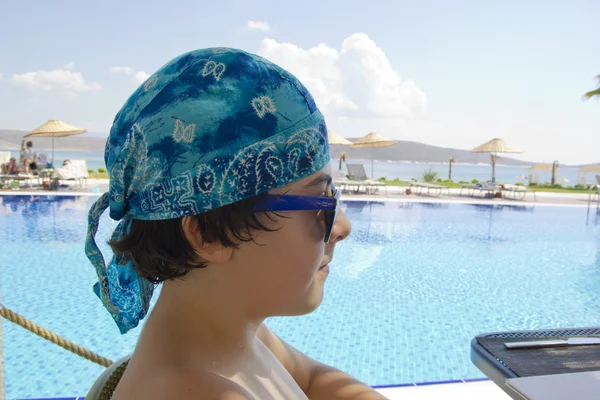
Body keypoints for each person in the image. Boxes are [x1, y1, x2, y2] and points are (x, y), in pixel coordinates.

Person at [85, 48, 385, 399]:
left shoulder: (234, 335)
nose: (343, 227)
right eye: (321, 203)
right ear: (208, 234)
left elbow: (314, 380)